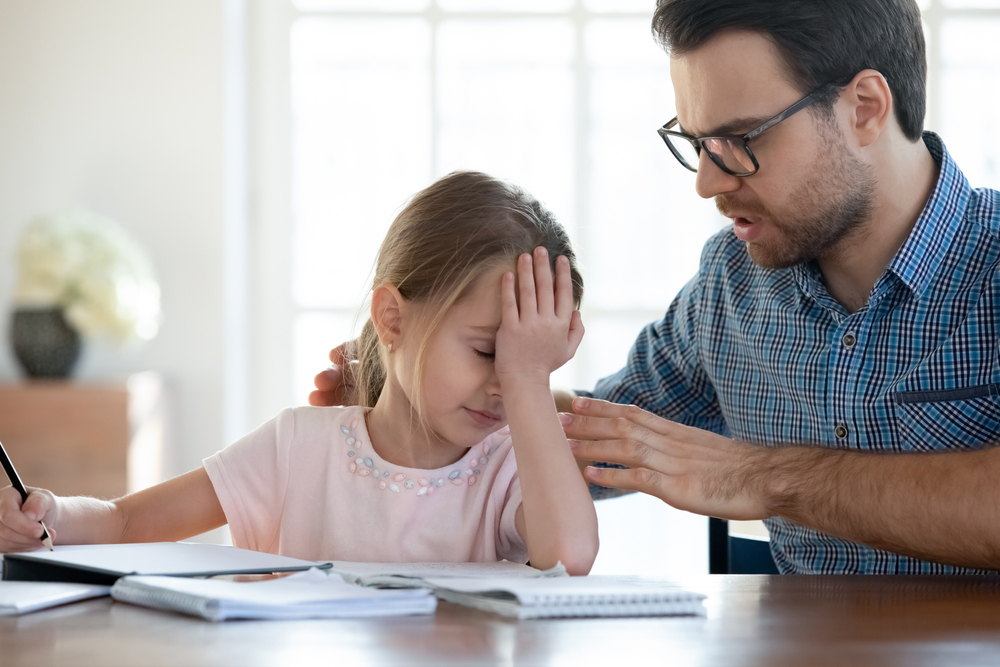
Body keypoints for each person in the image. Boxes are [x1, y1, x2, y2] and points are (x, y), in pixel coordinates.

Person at [313, 0, 1000, 574]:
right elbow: (602, 438)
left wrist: (759, 476)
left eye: (739, 139)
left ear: (865, 108)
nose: (706, 181)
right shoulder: (730, 287)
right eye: (695, 142)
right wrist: (426, 400)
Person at [0, 171, 599, 575]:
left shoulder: (510, 468)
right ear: (393, 318)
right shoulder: (297, 449)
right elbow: (128, 521)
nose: (507, 383)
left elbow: (570, 555)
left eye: (534, 363)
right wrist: (53, 515)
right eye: (492, 353)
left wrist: (528, 384)